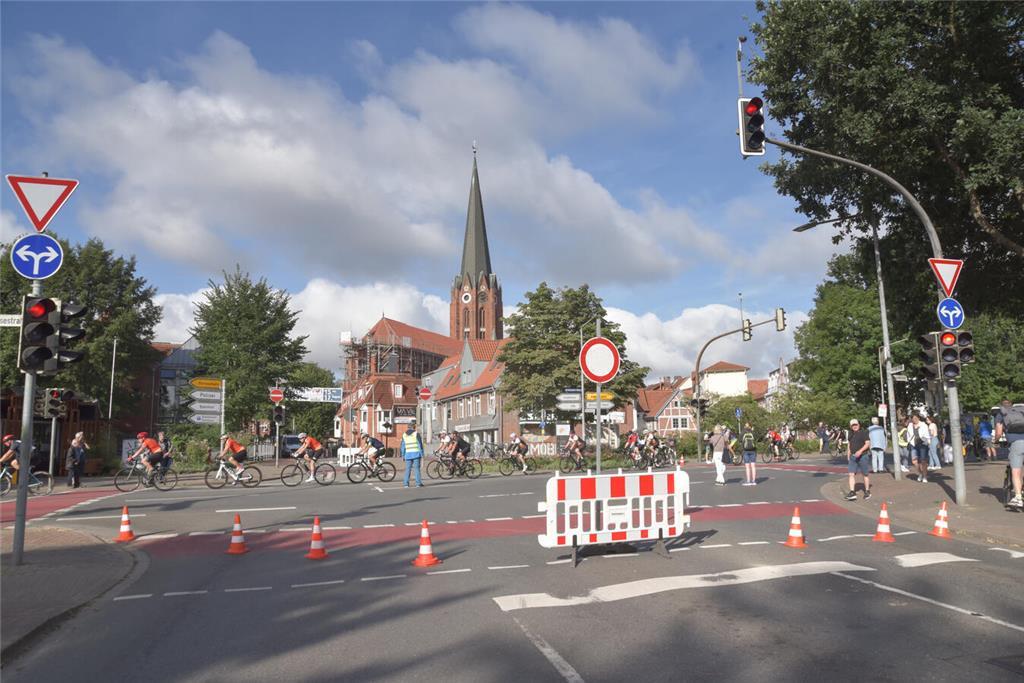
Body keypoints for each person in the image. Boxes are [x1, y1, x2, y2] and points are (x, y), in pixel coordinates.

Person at [994, 400, 1024, 509]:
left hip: (1017, 444)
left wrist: (996, 441)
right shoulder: (1021, 411)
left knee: (1016, 471)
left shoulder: (1001, 414)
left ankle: (1018, 498)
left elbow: (998, 432)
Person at [845, 419, 871, 500]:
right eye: (853, 425)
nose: (855, 426)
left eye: (856, 424)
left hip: (863, 456)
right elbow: (849, 445)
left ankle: (867, 491)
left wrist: (860, 451)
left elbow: (868, 443)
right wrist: (848, 455)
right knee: (851, 474)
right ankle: (852, 492)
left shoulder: (864, 432)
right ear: (851, 426)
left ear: (859, 425)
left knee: (865, 474)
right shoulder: (850, 434)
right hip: (853, 457)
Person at [400, 421, 424, 487]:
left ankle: (406, 484)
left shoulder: (404, 435)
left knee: (408, 469)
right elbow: (420, 445)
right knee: (416, 469)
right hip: (416, 453)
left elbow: (402, 446)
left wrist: (403, 455)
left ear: (408, 427)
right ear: (414, 427)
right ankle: (418, 483)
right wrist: (422, 454)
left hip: (407, 454)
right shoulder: (416, 434)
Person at [909, 413, 930, 483]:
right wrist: (909, 441)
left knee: (923, 461)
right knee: (914, 461)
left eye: (916, 418)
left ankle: (924, 476)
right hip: (913, 444)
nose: (914, 420)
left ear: (918, 418)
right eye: (913, 418)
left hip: (922, 444)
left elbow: (927, 435)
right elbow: (908, 434)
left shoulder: (923, 425)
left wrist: (927, 442)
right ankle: (920, 473)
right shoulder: (910, 425)